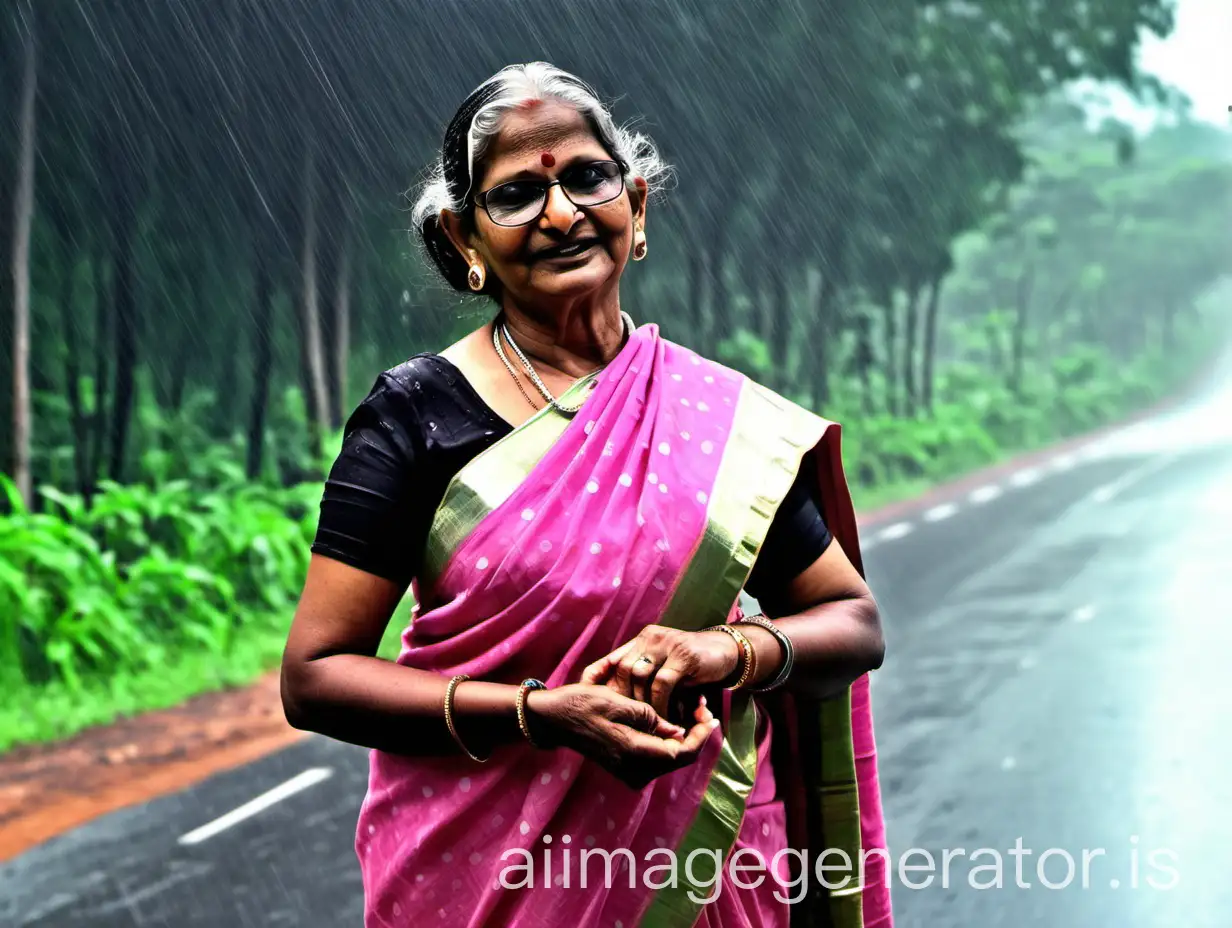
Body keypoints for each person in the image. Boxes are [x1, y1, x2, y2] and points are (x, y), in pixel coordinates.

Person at [281, 61, 893, 928]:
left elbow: (853, 623)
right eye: (517, 194)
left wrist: (726, 654)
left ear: (635, 207)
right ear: (466, 241)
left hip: (698, 867)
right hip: (483, 878)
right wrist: (541, 715)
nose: (562, 213)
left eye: (586, 178)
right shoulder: (415, 418)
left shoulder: (720, 424)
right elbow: (316, 677)